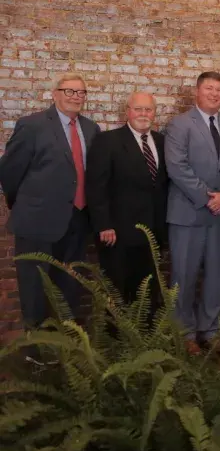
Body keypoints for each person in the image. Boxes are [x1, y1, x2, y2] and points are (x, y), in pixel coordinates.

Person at [0, 74, 100, 359]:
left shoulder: (91, 129)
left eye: (81, 92)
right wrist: (24, 204)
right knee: (34, 289)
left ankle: (62, 349)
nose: (76, 96)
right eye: (69, 91)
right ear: (55, 93)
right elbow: (9, 171)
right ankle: (35, 353)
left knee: (68, 288)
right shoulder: (32, 125)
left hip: (77, 221)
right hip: (37, 222)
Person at [164, 72, 220, 354]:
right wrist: (207, 197)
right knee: (183, 275)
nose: (214, 94)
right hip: (188, 214)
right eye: (209, 88)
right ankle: (184, 333)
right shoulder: (179, 124)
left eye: (219, 89)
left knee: (216, 275)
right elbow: (177, 166)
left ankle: (210, 330)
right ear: (197, 92)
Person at [85, 92, 168, 310]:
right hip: (118, 234)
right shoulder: (107, 141)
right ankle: (115, 333)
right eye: (138, 109)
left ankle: (146, 332)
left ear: (154, 113)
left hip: (153, 233)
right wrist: (103, 224)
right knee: (117, 293)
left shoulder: (162, 142)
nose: (143, 114)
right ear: (127, 112)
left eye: (148, 109)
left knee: (148, 294)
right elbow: (96, 186)